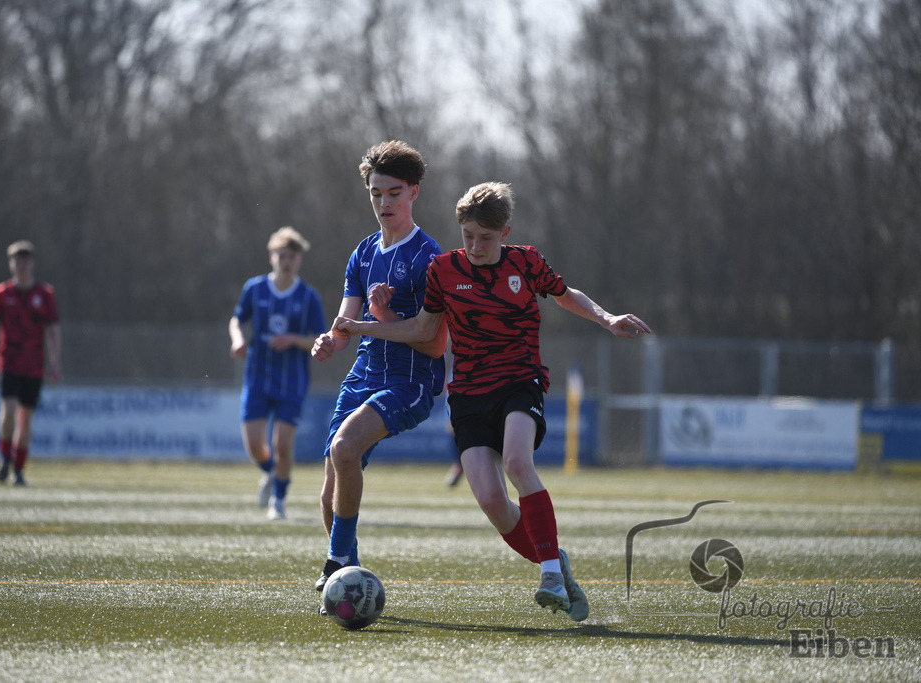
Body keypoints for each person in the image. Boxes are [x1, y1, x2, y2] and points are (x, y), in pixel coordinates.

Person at [335, 181, 652, 621]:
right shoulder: (443, 270)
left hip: (520, 382)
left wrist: (606, 317)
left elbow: (566, 295)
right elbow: (423, 330)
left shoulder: (527, 261)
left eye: (485, 238)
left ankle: (549, 576)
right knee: (491, 501)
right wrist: (363, 325)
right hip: (467, 394)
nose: (475, 246)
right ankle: (555, 560)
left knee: (518, 463)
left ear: (505, 232)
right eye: (468, 236)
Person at [310, 140, 448, 592]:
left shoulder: (429, 258)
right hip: (364, 375)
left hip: (409, 381)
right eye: (376, 193)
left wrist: (375, 320)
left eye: (393, 193)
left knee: (345, 447)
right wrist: (329, 340)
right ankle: (350, 580)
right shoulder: (364, 253)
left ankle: (334, 564)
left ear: (414, 192)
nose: (384, 202)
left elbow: (434, 343)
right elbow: (345, 325)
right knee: (329, 493)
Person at [229, 226, 326, 520]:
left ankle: (278, 501)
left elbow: (319, 338)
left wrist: (293, 339)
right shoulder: (254, 288)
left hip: (291, 381)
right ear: (272, 257)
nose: (286, 261)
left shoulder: (308, 296)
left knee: (282, 445)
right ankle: (272, 473)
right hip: (257, 377)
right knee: (254, 446)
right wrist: (238, 339)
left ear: (299, 260)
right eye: (281, 255)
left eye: (291, 257)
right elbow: (237, 320)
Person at [0, 240, 61, 486]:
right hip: (9, 362)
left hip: (34, 366)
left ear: (33, 264)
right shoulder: (2, 294)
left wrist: (55, 362)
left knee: (25, 418)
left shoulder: (45, 295)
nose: (22, 265)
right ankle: (4, 456)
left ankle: (18, 469)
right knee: (8, 411)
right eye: (17, 261)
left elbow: (53, 330)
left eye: (26, 261)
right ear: (11, 264)